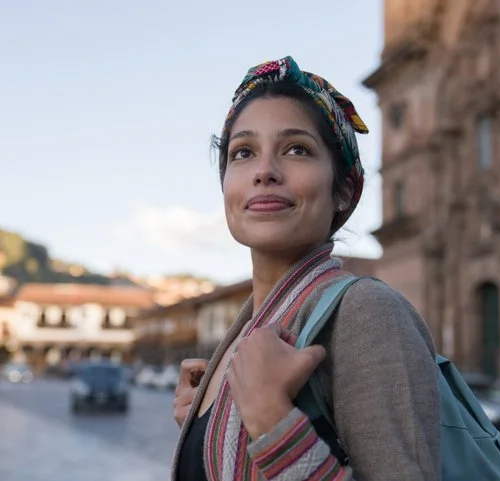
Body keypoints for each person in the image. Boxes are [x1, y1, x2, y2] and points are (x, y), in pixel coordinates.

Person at [170, 56, 441, 481]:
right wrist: (210, 424)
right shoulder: (241, 338)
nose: (264, 172)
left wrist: (273, 423)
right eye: (243, 152)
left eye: (297, 149)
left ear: (343, 191)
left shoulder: (366, 315)